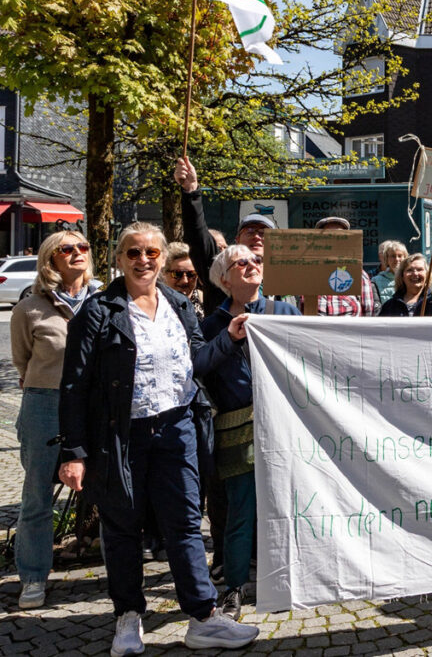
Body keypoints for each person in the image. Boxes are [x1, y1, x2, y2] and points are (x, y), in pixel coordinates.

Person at [57, 222, 259, 653]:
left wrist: (228, 338)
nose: (143, 260)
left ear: (163, 259)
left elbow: (196, 364)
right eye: (133, 253)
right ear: (119, 258)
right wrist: (74, 452)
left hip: (177, 428)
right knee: (123, 526)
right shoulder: (98, 311)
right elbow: (74, 387)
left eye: (151, 252)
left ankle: (203, 618)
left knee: (185, 523)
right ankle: (128, 617)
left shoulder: (181, 307)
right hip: (121, 436)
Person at [200, 245, 301, 619]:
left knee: (289, 505)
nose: (251, 266)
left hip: (285, 426)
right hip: (237, 428)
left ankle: (289, 580)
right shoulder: (211, 325)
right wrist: (228, 339)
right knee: (241, 512)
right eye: (240, 263)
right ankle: (234, 589)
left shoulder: (285, 312)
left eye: (256, 260)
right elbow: (198, 365)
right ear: (224, 279)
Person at [10, 230, 98, 609]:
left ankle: (122, 574)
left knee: (113, 489)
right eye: (68, 249)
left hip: (97, 404)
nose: (78, 253)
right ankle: (32, 577)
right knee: (36, 495)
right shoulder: (29, 308)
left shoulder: (106, 299)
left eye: (83, 247)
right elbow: (22, 362)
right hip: (45, 403)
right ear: (51, 259)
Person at [175, 156, 274, 314]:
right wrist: (191, 191)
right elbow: (197, 235)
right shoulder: (221, 268)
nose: (257, 237)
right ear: (237, 240)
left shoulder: (286, 278)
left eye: (264, 233)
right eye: (250, 231)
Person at [315, 216, 379, 316]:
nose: (334, 240)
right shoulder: (309, 274)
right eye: (328, 235)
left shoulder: (359, 275)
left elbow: (368, 316)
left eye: (340, 236)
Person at [164, 242, 204, 319]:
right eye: (177, 274)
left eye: (191, 274)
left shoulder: (206, 302)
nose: (184, 281)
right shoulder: (155, 305)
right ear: (164, 273)